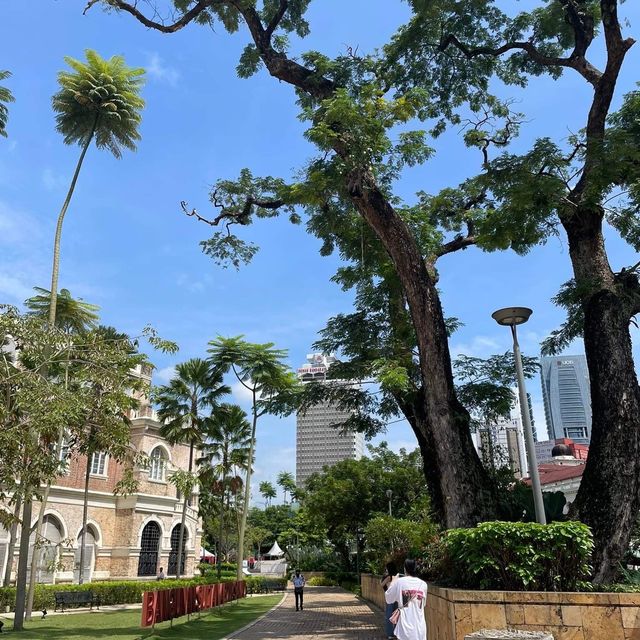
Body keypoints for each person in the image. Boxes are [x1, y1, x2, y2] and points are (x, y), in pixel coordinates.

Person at [384, 559, 427, 640]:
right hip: (420, 627)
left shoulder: (399, 582)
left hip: (404, 627)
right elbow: (422, 605)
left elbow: (388, 598)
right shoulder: (423, 584)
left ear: (405, 569)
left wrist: (393, 581)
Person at [380, 561, 400, 639]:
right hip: (397, 597)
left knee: (389, 616)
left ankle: (390, 634)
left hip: (390, 598)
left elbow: (381, 584)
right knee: (396, 615)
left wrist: (382, 578)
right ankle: (396, 632)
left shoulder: (389, 577)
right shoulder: (397, 576)